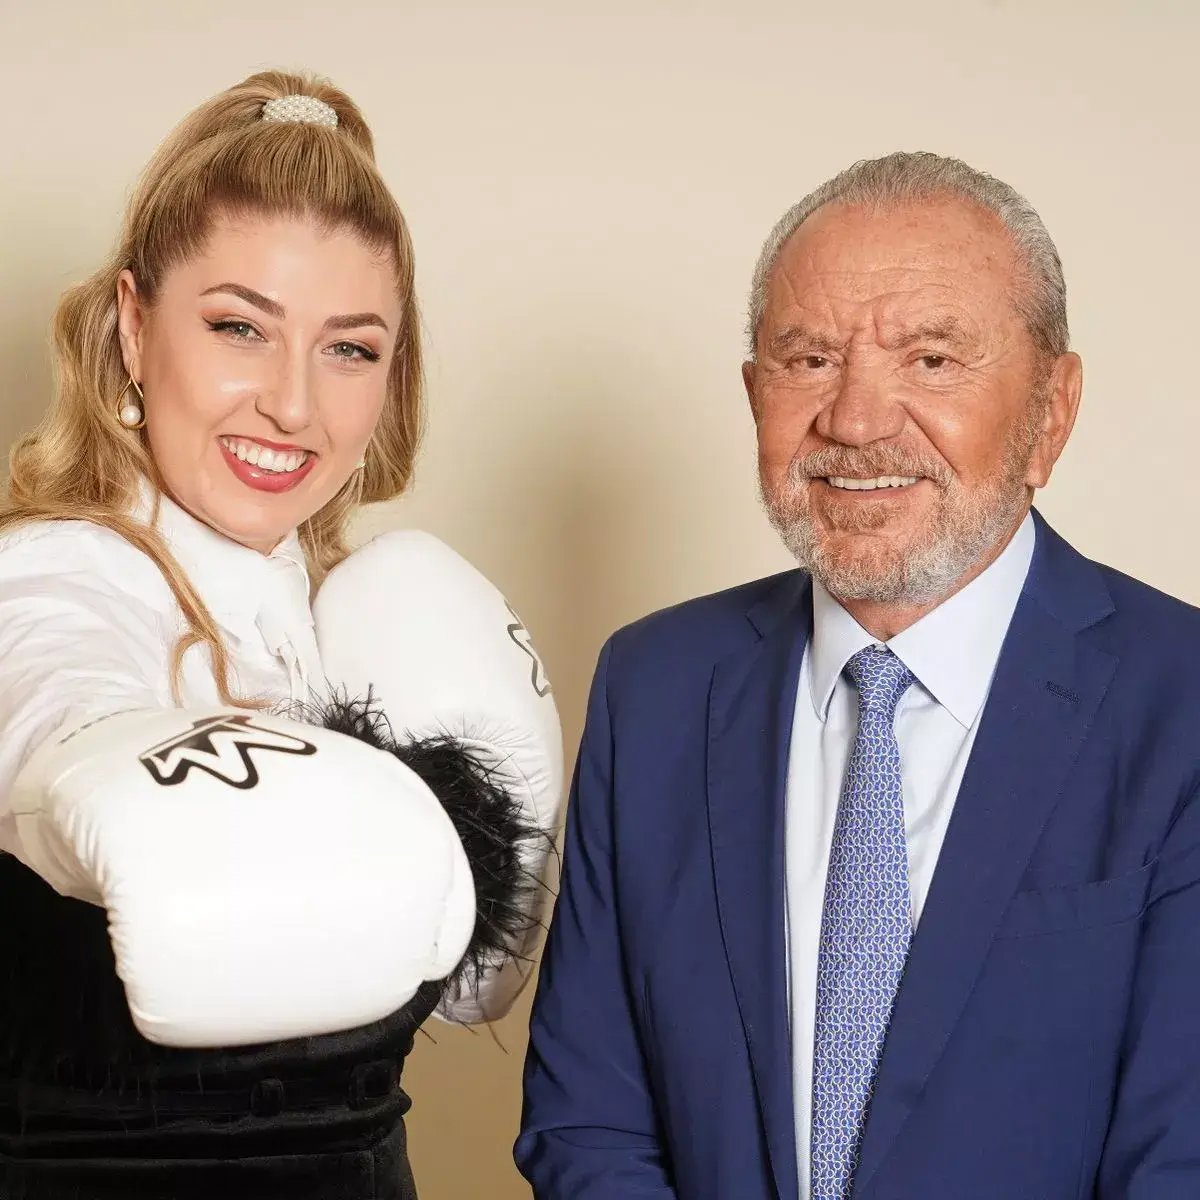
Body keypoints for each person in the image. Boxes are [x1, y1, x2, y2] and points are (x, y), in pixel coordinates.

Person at [516, 151, 1200, 1199]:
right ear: (755, 394)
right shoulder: (653, 689)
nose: (856, 419)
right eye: (807, 360)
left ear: (1051, 410)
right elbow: (589, 1122)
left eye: (931, 360)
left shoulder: (1180, 701)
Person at [0, 71, 562, 1200]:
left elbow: (476, 988)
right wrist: (115, 767)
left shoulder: (359, 615)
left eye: (350, 348)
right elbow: (54, 719)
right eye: (238, 328)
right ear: (130, 323)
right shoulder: (51, 580)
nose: (293, 406)